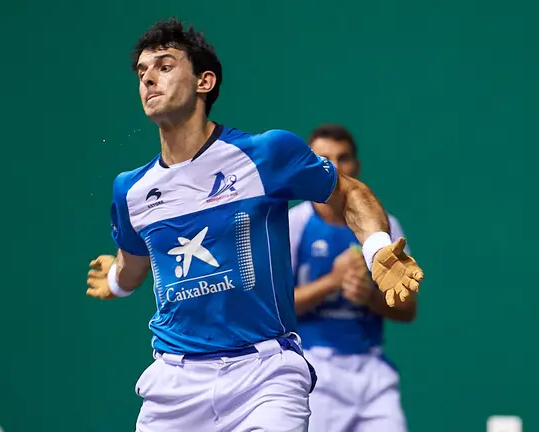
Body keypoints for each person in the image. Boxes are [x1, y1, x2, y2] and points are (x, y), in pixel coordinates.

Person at [85, 18, 423, 432]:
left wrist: (375, 249)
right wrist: (117, 281)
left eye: (165, 66)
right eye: (142, 72)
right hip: (173, 385)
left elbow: (350, 194)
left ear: (204, 81)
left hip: (265, 376)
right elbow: (135, 264)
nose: (149, 78)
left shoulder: (265, 154)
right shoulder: (131, 190)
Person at [290, 124, 416, 432]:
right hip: (313, 369)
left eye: (343, 158)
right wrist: (332, 282)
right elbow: (274, 308)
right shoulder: (293, 225)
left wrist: (370, 297)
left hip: (372, 371)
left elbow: (407, 308)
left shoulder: (385, 227)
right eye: (323, 158)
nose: (333, 167)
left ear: (356, 166)